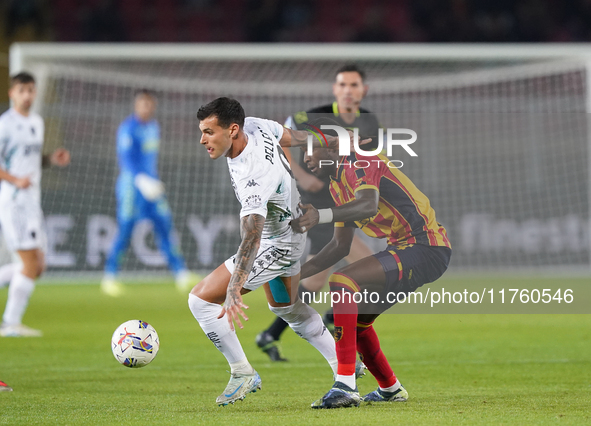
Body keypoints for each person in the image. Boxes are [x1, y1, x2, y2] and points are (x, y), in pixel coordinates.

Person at [189, 97, 365, 406]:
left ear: (231, 130)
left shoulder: (253, 175)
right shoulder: (255, 125)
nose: (202, 139)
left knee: (200, 301)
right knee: (287, 309)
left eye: (208, 132)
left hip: (277, 244)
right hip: (292, 231)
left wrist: (234, 287)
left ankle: (242, 372)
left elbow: (252, 238)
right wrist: (338, 139)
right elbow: (297, 137)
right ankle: (346, 363)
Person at [290, 141, 452, 408]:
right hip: (405, 249)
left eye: (310, 150)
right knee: (358, 321)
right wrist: (295, 274)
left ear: (332, 149)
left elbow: (367, 205)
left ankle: (345, 384)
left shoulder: (360, 160)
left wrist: (321, 215)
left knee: (342, 281)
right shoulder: (336, 186)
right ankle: (390, 388)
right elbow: (339, 246)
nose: (305, 159)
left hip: (425, 246)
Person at [256, 64, 379, 361]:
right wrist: (299, 174)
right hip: (317, 205)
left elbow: (368, 162)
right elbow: (280, 135)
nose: (348, 90)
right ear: (335, 89)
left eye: (354, 85)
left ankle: (270, 334)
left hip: (341, 205)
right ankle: (336, 319)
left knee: (315, 280)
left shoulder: (370, 122)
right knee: (373, 268)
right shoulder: (316, 116)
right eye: (343, 85)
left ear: (364, 90)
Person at [101, 90, 196, 296]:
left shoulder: (154, 126)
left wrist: (151, 180)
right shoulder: (128, 128)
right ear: (136, 105)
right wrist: (141, 180)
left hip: (152, 187)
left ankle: (181, 273)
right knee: (125, 229)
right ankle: (110, 277)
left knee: (165, 225)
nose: (146, 107)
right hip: (132, 187)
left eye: (149, 104)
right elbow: (126, 159)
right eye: (142, 104)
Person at [0, 72, 71, 337]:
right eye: (22, 90)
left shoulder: (37, 123)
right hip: (14, 202)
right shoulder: (5, 124)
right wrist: (14, 179)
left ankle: (10, 322)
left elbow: (27, 160)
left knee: (38, 265)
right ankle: (10, 323)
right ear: (12, 93)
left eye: (31, 90)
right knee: (30, 263)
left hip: (32, 202)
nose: (27, 95)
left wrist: (51, 159)